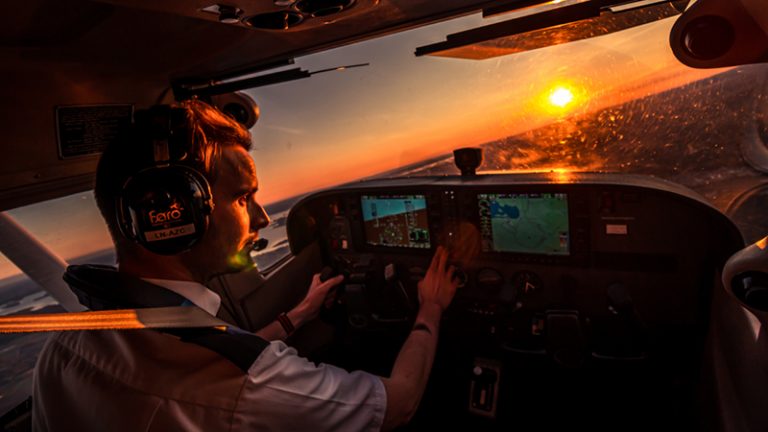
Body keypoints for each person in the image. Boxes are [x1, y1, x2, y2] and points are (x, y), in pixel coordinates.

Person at [32, 99, 458, 431]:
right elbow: (398, 404)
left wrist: (300, 314)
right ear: (174, 213)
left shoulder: (63, 347)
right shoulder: (247, 384)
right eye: (242, 198)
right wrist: (430, 310)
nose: (262, 218)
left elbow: (221, 354)